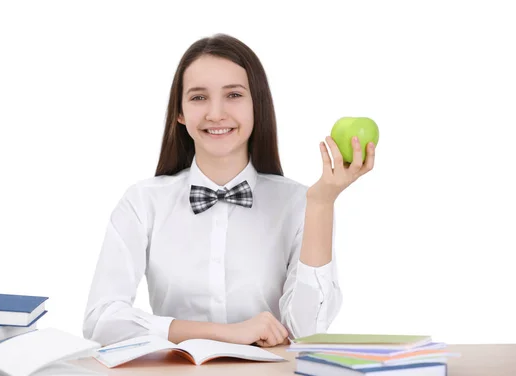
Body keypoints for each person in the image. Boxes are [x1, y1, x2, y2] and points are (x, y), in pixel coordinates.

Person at [82, 33, 375, 348]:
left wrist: (321, 204)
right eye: (198, 97)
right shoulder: (143, 202)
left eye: (233, 95)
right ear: (179, 112)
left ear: (256, 106)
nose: (215, 113)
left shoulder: (298, 204)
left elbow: (307, 330)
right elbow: (101, 319)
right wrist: (226, 333)